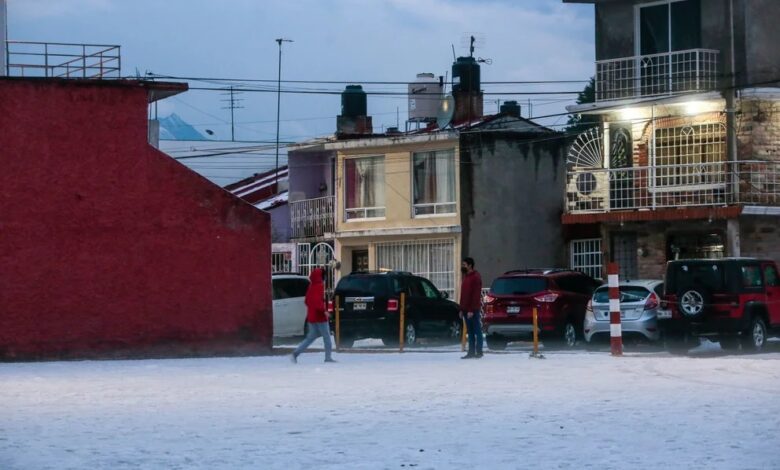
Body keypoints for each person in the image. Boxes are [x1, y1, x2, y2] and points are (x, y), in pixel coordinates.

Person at [291, 267, 336, 363]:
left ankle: (296, 353)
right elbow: (317, 301)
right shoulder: (320, 286)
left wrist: (312, 309)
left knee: (310, 338)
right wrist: (324, 310)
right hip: (320, 317)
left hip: (311, 316)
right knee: (327, 337)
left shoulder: (311, 286)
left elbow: (307, 301)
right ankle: (328, 357)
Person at [459, 257, 484, 359]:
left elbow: (475, 295)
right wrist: (461, 309)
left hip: (472, 309)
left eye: (464, 264)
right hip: (465, 309)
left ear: (470, 265)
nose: (462, 266)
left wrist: (471, 310)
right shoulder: (466, 277)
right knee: (470, 332)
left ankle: (479, 351)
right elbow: (463, 294)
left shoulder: (475, 277)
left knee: (477, 331)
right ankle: (471, 352)